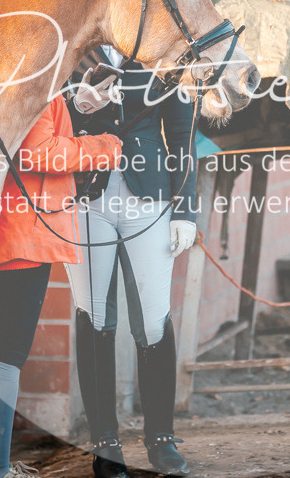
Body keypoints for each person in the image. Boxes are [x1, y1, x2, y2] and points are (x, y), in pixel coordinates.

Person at [0, 96, 122, 478]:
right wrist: (104, 147)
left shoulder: (9, 79)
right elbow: (38, 151)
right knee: (5, 355)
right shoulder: (38, 83)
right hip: (25, 233)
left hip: (4, 231)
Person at [66, 46, 198, 478]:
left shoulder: (163, 50)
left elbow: (182, 133)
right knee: (95, 315)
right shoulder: (72, 46)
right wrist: (78, 103)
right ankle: (105, 443)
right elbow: (41, 116)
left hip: (152, 195)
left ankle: (161, 439)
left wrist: (186, 209)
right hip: (87, 196)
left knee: (154, 319)